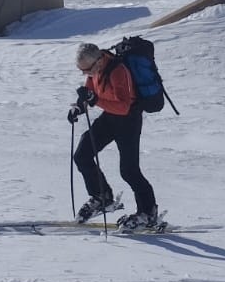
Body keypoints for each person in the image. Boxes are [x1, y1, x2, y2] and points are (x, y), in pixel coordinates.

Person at [68, 42, 161, 231]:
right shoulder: (95, 70)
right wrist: (79, 106)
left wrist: (96, 101)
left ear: (98, 62)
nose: (85, 74)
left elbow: (124, 106)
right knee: (82, 155)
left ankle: (148, 212)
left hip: (128, 121)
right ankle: (102, 196)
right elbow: (89, 93)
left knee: (129, 170)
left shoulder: (118, 71)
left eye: (86, 70)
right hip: (110, 118)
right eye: (82, 71)